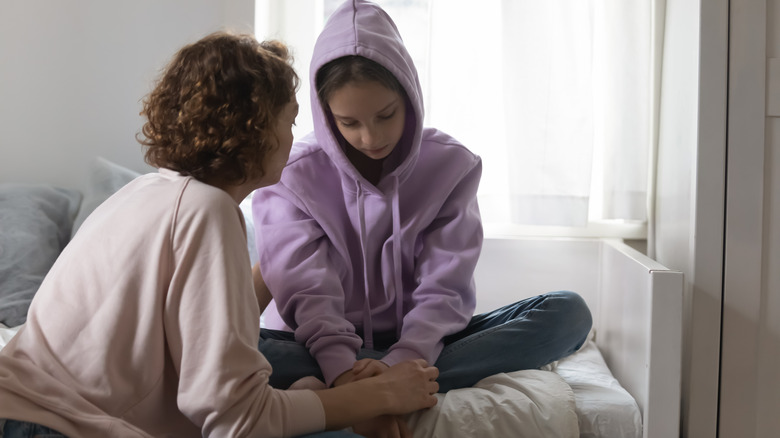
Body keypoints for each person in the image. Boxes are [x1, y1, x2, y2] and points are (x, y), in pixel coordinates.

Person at [0, 31, 440, 438]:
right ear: (254, 128)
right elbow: (238, 419)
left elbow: (200, 330)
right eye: (288, 122)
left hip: (22, 403)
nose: (294, 138)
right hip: (49, 425)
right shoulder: (206, 211)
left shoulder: (154, 190)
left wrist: (279, 264)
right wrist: (377, 396)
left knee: (297, 361)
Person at [252, 0, 593, 436]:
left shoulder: (452, 167)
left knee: (568, 314)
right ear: (325, 115)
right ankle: (362, 392)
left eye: (385, 115)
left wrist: (401, 364)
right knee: (237, 352)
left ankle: (357, 394)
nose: (369, 137)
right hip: (315, 345)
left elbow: (443, 290)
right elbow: (308, 291)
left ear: (409, 98)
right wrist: (342, 371)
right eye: (348, 122)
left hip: (418, 345)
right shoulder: (291, 174)